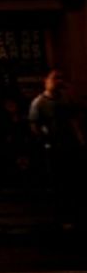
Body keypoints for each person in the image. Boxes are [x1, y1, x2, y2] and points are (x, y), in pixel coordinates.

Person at [28, 70, 84, 231]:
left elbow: (74, 121)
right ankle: (61, 216)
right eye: (54, 78)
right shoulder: (39, 102)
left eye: (60, 78)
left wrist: (80, 141)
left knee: (71, 182)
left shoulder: (65, 100)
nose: (57, 81)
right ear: (46, 80)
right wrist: (44, 140)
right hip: (53, 148)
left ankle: (73, 214)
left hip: (69, 147)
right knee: (58, 183)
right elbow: (34, 125)